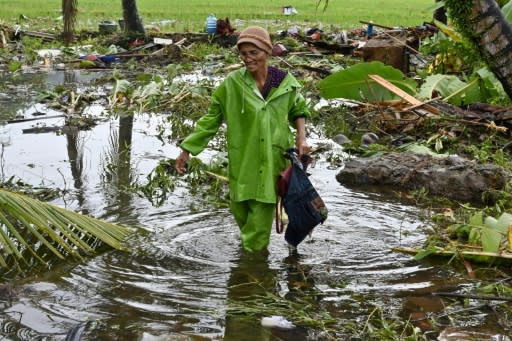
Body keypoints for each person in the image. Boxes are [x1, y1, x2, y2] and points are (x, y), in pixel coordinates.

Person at [175, 26, 311, 252]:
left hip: (272, 162)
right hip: (243, 162)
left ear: (267, 51)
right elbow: (212, 118)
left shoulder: (284, 82)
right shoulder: (233, 84)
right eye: (244, 53)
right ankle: (252, 264)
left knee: (256, 230)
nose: (248, 59)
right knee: (242, 214)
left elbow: (298, 110)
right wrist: (187, 149)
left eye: (254, 52)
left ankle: (253, 274)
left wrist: (302, 139)